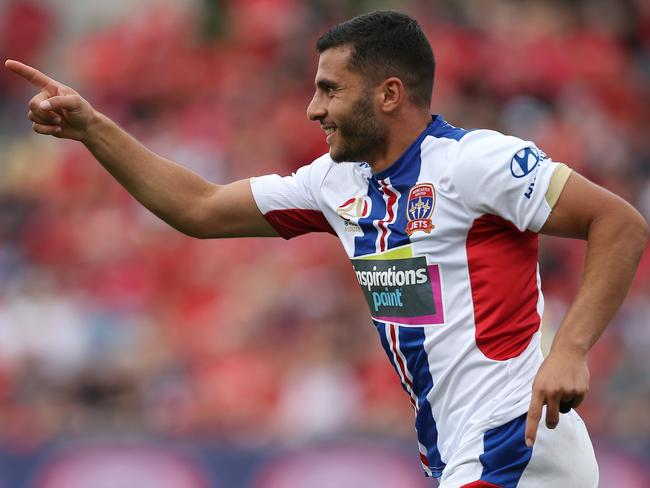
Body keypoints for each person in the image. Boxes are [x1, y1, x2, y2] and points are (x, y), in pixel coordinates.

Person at [6, 10, 648, 488]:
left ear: (389, 94)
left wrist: (570, 351)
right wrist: (92, 129)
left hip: (515, 438)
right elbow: (197, 208)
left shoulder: (475, 163)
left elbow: (619, 223)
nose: (313, 108)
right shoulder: (335, 182)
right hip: (461, 446)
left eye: (330, 89)